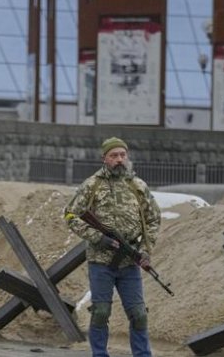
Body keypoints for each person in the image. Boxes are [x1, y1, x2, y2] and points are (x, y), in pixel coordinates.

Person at [64, 137, 161, 357]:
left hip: (129, 262)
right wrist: (98, 237)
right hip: (101, 262)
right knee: (100, 312)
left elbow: (154, 219)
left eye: (122, 155)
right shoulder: (92, 185)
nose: (119, 159)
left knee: (138, 314)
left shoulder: (138, 186)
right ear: (104, 159)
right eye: (114, 155)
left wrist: (146, 250)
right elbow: (70, 215)